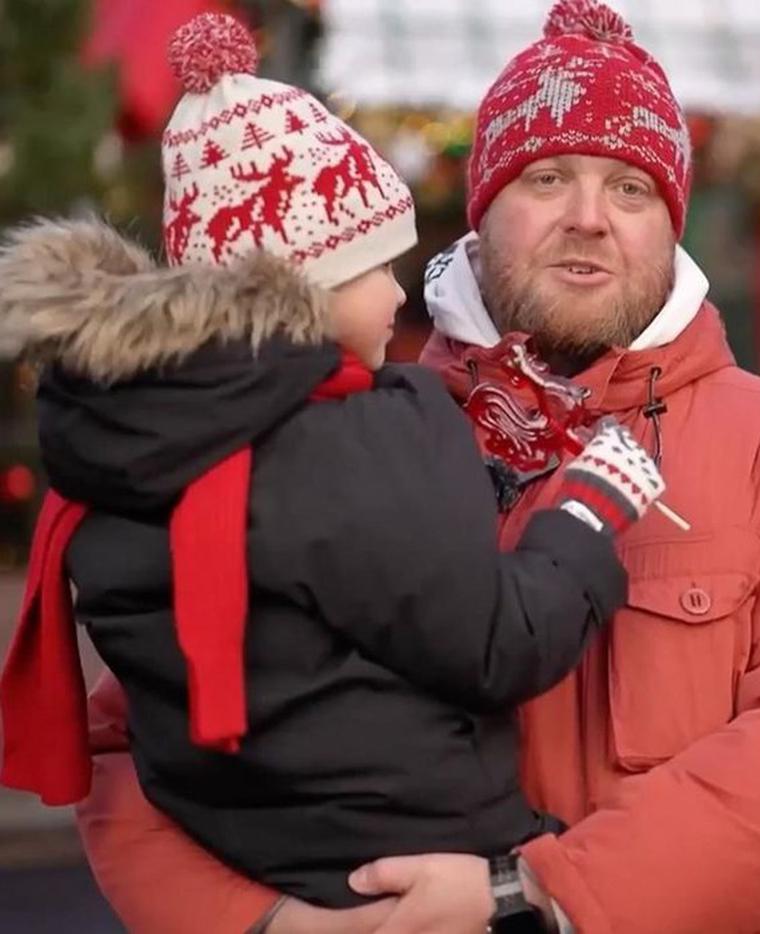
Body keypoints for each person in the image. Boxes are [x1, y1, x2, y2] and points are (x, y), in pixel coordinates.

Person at [68, 2, 760, 933]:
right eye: (548, 178)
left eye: (632, 190)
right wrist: (266, 921)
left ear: (671, 222)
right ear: (483, 208)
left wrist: (542, 892)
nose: (590, 220)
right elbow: (128, 737)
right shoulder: (331, 432)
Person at [0, 11, 664, 916]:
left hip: (265, 868)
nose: (399, 292)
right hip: (428, 865)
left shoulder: (127, 444)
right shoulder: (351, 438)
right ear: (300, 288)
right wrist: (587, 513)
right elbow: (497, 644)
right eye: (374, 267)